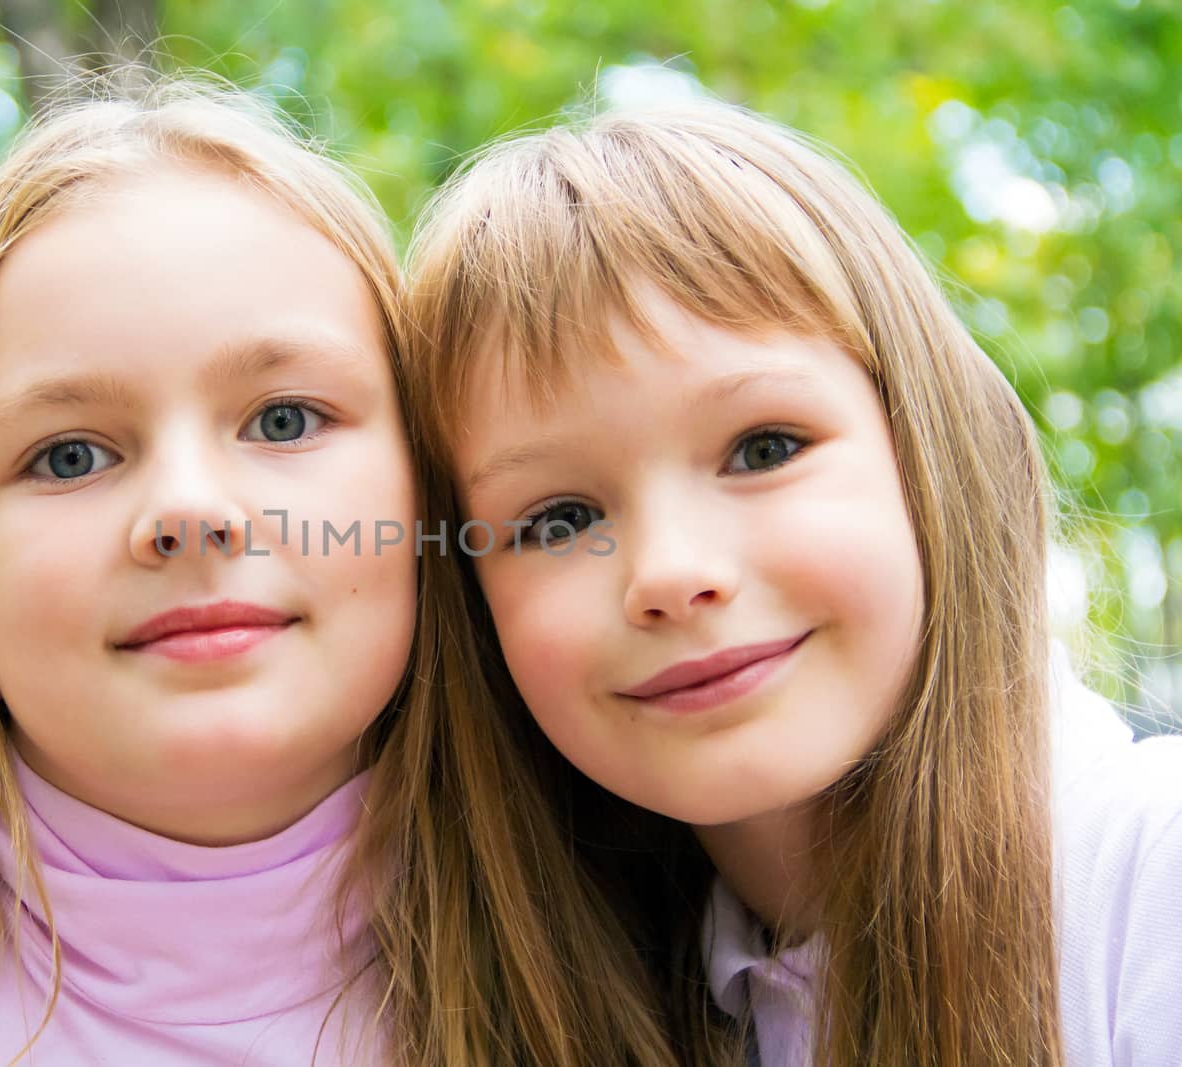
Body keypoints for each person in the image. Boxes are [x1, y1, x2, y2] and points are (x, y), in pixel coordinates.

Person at [0, 80, 675, 1066]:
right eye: (70, 454)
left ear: (427, 496)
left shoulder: (650, 932)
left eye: (283, 419)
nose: (189, 511)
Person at [404, 100, 1182, 1065]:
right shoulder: (530, 1001)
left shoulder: (1152, 887)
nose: (673, 572)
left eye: (763, 447)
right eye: (559, 519)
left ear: (926, 446)